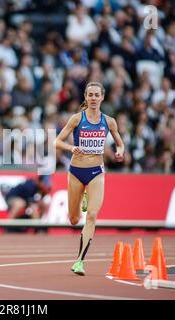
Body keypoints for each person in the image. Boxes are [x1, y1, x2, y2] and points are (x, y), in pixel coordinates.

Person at [54, 82, 125, 275]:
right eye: (90, 95)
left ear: (102, 97)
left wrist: (120, 151)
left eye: (97, 95)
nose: (93, 98)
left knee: (92, 215)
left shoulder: (109, 121)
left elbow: (120, 143)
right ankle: (83, 196)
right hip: (76, 172)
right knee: (74, 219)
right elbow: (56, 141)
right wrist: (71, 148)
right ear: (85, 97)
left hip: (96, 172)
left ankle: (79, 261)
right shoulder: (77, 119)